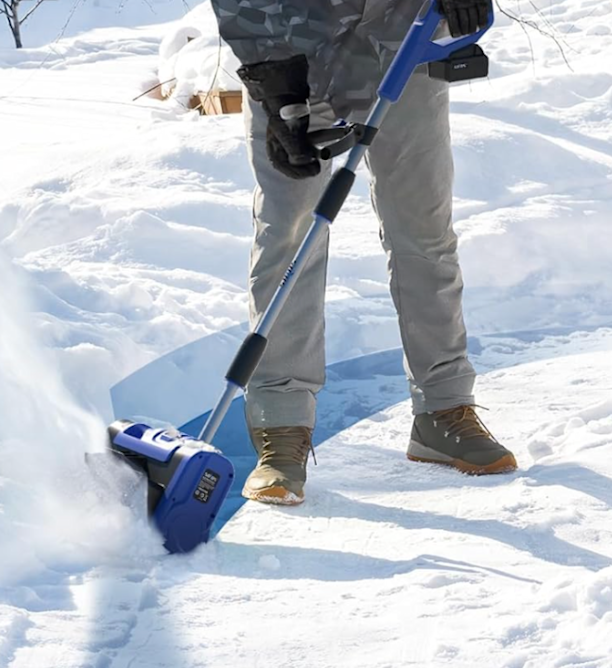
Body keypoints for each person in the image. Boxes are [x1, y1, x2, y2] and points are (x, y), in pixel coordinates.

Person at [208, 0, 518, 505]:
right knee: (290, 229)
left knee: (423, 224)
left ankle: (443, 409)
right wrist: (276, 82)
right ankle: (281, 425)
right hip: (291, 46)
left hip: (404, 36)